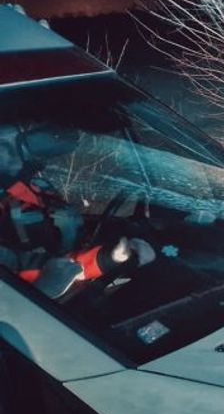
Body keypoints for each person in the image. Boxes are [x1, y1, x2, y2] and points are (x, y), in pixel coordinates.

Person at [0, 122, 154, 299]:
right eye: (5, 143)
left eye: (15, 137)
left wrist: (112, 255)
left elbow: (66, 239)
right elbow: (18, 267)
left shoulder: (36, 187)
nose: (11, 149)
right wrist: (43, 289)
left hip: (71, 293)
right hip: (35, 310)